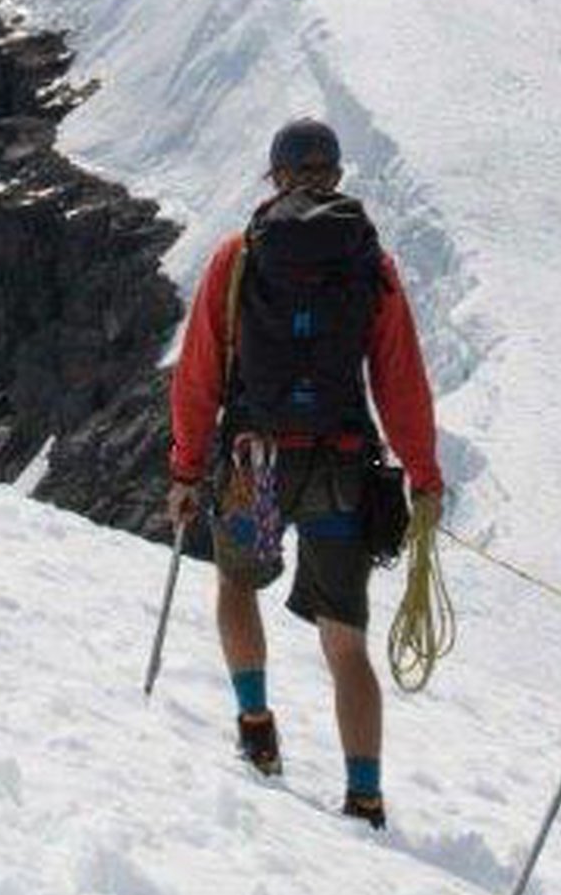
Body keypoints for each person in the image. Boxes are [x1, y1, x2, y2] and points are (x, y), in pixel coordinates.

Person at [167, 117, 443, 828]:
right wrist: (423, 473)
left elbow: (199, 374)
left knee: (235, 583)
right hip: (341, 461)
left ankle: (256, 725)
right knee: (344, 641)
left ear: (276, 176)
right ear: (337, 175)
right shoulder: (367, 263)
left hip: (255, 460)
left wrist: (185, 467)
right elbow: (399, 378)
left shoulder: (239, 256)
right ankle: (365, 793)